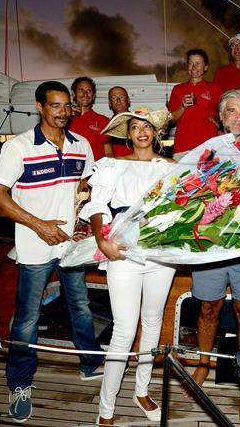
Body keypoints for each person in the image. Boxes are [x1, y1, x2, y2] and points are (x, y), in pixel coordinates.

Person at [0, 81, 103, 423]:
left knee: (80, 306)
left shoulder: (81, 144)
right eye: (55, 105)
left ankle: (89, 363)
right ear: (40, 107)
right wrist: (39, 225)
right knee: (28, 319)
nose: (63, 111)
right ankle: (19, 384)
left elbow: (88, 186)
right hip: (35, 245)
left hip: (72, 245)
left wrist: (85, 220)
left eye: (67, 105)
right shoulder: (19, 147)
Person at [80, 107, 176, 426]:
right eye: (135, 127)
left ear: (156, 132)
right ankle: (106, 410)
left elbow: (184, 208)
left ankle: (142, 390)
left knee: (152, 322)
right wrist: (100, 239)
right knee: (123, 329)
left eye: (147, 126)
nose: (142, 131)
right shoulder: (113, 165)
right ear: (129, 134)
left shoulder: (173, 167)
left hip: (160, 253)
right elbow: (96, 205)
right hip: (122, 250)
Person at [185, 89, 240, 422]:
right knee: (208, 308)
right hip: (212, 246)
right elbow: (188, 194)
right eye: (230, 111)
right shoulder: (204, 151)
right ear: (220, 116)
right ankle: (203, 365)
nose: (236, 117)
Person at [167, 48, 223, 159]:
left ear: (205, 67)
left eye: (198, 63)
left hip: (208, 148)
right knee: (181, 177)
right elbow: (170, 120)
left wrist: (219, 125)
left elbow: (224, 115)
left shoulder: (215, 89)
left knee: (209, 176)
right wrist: (182, 107)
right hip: (183, 147)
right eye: (191, 63)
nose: (194, 67)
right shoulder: (178, 89)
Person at [69, 76, 110, 161]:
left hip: (95, 173)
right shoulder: (64, 120)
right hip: (70, 171)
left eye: (89, 91)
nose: (85, 94)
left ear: (93, 96)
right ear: (73, 94)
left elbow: (109, 154)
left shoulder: (104, 121)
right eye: (81, 90)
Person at [103, 86, 133, 158]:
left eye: (121, 97)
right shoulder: (105, 126)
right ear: (110, 103)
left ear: (128, 100)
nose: (118, 100)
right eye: (114, 98)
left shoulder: (139, 121)